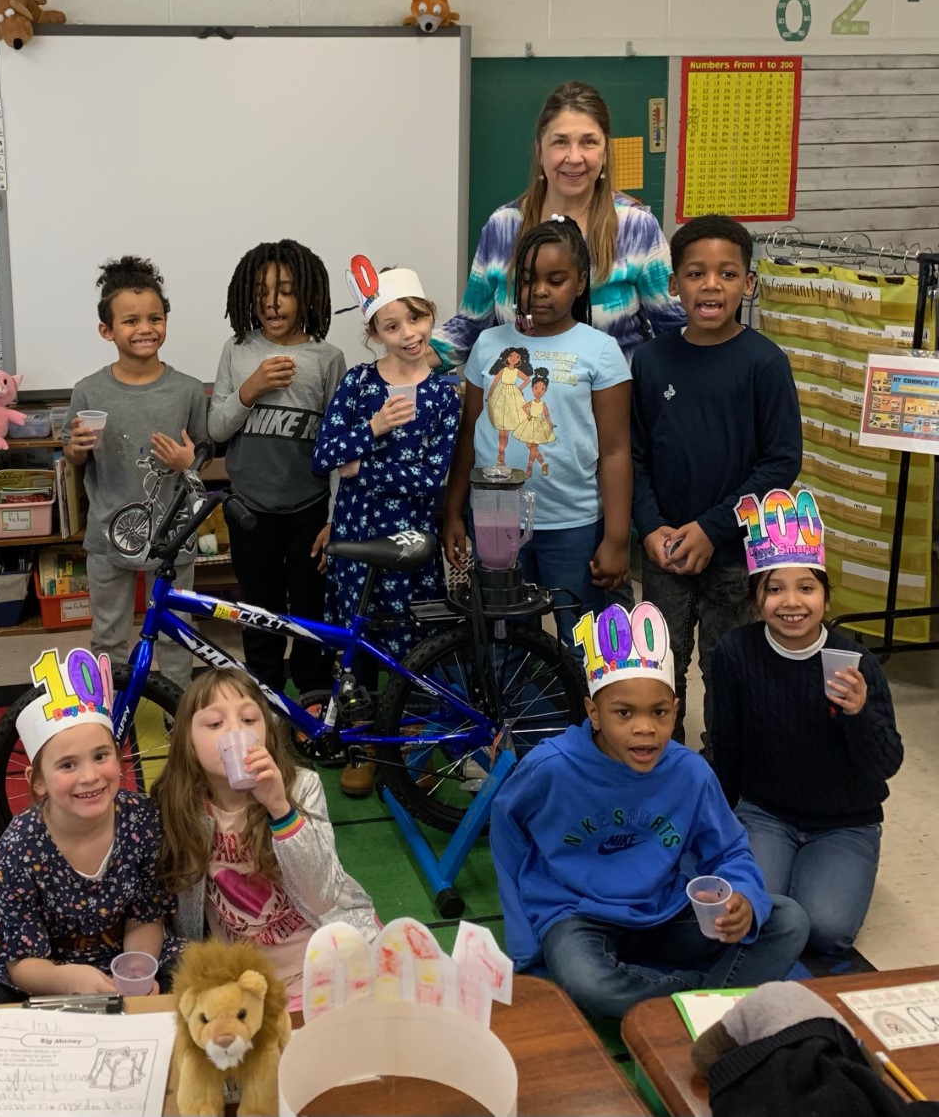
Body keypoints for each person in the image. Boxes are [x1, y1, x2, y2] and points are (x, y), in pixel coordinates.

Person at [490, 602, 809, 1021]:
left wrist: (744, 898)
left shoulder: (690, 772)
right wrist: (522, 940)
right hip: (576, 914)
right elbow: (506, 830)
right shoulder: (550, 767)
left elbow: (729, 851)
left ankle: (687, 1005)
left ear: (674, 710)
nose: (645, 728)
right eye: (624, 713)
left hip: (666, 911)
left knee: (788, 919)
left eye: (658, 713)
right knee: (589, 982)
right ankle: (706, 1000)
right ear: (594, 714)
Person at [0, 650, 180, 1031]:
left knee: (202, 972)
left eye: (101, 756)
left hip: (125, 964)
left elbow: (146, 918)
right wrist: (72, 982)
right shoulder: (17, 849)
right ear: (37, 781)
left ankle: (94, 1027)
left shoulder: (141, 819)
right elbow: (22, 963)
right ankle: (82, 1030)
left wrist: (136, 972)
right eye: (68, 765)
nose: (90, 776)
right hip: (49, 979)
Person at [631, 214, 802, 754]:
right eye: (696, 273)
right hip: (665, 555)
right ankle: (664, 764)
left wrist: (710, 528)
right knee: (661, 668)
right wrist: (652, 526)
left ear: (747, 284)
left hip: (735, 555)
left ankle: (725, 771)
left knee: (730, 668)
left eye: (727, 274)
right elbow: (634, 457)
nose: (711, 285)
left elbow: (780, 464)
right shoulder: (653, 360)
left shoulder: (764, 363)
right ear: (674, 284)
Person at [711, 488, 903, 956]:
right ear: (756, 599)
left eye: (806, 587)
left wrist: (858, 714)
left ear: (825, 595)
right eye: (774, 588)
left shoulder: (855, 660)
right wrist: (721, 829)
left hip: (845, 823)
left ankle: (834, 871)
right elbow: (727, 748)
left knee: (824, 931)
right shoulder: (736, 653)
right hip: (766, 812)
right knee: (754, 915)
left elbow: (886, 762)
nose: (791, 602)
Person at [442, 216, 632, 639]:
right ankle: (514, 708)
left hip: (572, 523)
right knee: (505, 638)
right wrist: (453, 511)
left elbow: (616, 450)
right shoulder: (488, 345)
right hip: (495, 523)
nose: (540, 290)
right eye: (528, 279)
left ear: (580, 283)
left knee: (582, 639)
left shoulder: (601, 351)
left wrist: (617, 537)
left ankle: (582, 707)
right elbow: (470, 434)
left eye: (556, 279)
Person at [312, 265, 460, 796]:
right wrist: (374, 427)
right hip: (356, 534)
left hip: (409, 538)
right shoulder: (358, 382)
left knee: (410, 642)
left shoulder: (444, 394)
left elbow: (429, 479)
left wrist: (361, 466)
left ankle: (410, 745)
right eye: (392, 326)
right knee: (357, 642)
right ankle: (364, 744)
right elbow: (324, 456)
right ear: (376, 334)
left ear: (429, 315)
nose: (409, 334)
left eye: (416, 318)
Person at [151, 668, 376, 1006]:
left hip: (328, 962)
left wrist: (280, 809)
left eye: (248, 720)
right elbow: (169, 901)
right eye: (214, 724)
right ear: (188, 742)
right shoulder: (177, 804)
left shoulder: (301, 788)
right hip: (246, 981)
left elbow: (321, 895)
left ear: (268, 734)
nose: (234, 733)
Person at [432, 80, 682, 368]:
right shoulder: (503, 227)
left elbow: (674, 328)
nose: (574, 158)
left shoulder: (637, 228)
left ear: (605, 150)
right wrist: (408, 354)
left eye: (588, 142)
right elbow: (469, 328)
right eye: (560, 141)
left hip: (612, 408)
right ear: (540, 150)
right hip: (522, 404)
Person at [62, 256, 209, 688]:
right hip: (110, 532)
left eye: (155, 318)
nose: (146, 328)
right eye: (131, 321)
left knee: (177, 631)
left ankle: (179, 708)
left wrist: (189, 463)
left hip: (174, 534)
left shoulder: (187, 389)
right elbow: (73, 456)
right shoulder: (89, 390)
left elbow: (201, 450)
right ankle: (108, 703)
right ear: (107, 330)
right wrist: (75, 447)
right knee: (108, 634)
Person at [208, 240, 345, 697]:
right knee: (258, 613)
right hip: (250, 511)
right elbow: (217, 427)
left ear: (307, 295)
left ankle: (312, 697)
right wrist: (251, 388)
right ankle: (263, 700)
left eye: (286, 290)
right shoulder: (237, 349)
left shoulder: (327, 359)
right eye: (263, 291)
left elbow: (339, 448)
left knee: (310, 613)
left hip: (309, 510)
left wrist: (333, 520)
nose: (272, 301)